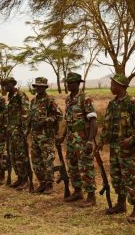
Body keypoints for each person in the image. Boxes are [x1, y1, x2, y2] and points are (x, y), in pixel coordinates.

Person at [96, 73, 135, 223]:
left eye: (113, 84)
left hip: (126, 149)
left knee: (129, 178)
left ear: (121, 86)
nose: (111, 87)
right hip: (114, 148)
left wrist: (133, 139)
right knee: (116, 177)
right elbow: (107, 126)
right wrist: (101, 142)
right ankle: (121, 204)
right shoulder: (113, 104)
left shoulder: (132, 103)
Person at [57, 72, 97, 207]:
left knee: (86, 167)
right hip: (70, 140)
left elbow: (93, 121)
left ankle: (91, 196)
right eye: (67, 82)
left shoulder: (85, 98)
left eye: (71, 83)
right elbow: (69, 121)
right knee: (72, 166)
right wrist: (62, 136)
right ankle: (78, 191)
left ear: (77, 83)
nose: (68, 85)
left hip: (82, 140)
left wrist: (91, 140)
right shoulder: (68, 99)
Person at [27, 77, 62, 194]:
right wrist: (27, 130)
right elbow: (30, 118)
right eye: (37, 86)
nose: (38, 88)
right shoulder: (33, 101)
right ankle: (42, 183)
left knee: (47, 160)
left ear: (45, 87)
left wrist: (45, 121)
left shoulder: (50, 100)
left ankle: (49, 184)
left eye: (41, 86)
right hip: (35, 136)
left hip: (46, 137)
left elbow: (59, 115)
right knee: (36, 161)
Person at [3, 76, 31, 190]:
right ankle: (19, 177)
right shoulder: (9, 96)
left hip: (19, 131)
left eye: (8, 84)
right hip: (10, 130)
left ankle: (25, 180)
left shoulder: (20, 95)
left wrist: (24, 131)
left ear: (13, 84)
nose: (6, 87)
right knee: (13, 155)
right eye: (5, 85)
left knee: (21, 155)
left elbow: (26, 113)